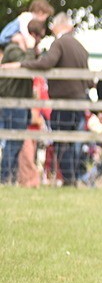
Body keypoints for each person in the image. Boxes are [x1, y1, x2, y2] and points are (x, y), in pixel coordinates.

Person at [3, 13, 92, 185]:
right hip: (80, 100)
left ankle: (69, 179)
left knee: (62, 141)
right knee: (75, 142)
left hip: (64, 100)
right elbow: (88, 78)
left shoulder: (59, 43)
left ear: (59, 26)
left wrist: (21, 65)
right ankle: (73, 178)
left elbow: (47, 63)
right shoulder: (80, 47)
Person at [0, 20, 46, 184]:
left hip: (19, 102)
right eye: (37, 37)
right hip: (13, 102)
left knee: (16, 141)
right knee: (13, 141)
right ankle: (4, 178)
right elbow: (26, 65)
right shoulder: (13, 48)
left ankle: (8, 178)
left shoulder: (20, 49)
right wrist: (30, 47)